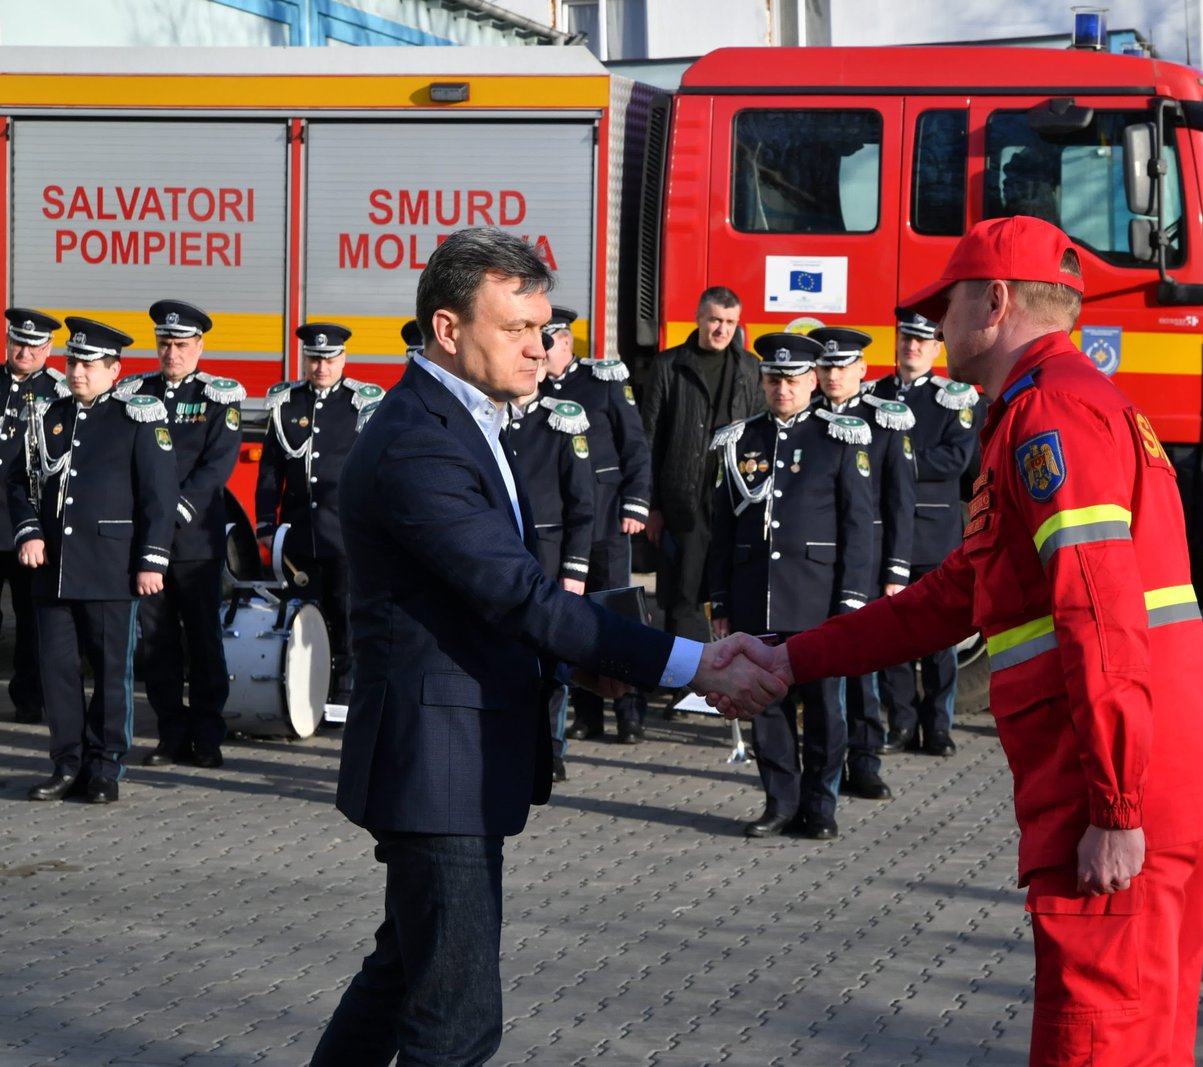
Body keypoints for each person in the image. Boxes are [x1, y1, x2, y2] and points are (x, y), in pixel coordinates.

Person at [750, 216, 1203, 1065]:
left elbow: (1098, 614)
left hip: (1119, 792)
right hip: (1155, 782)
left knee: (1095, 1037)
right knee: (1146, 1039)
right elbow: (952, 596)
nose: (933, 325)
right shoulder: (1056, 405)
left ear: (994, 300)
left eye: (943, 305)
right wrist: (791, 659)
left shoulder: (1048, 414)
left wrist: (1115, 806)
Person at [309, 227, 785, 1066]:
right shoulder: (420, 438)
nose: (541, 347)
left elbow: (489, 601)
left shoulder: (465, 415)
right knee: (454, 1022)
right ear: (448, 331)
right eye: (517, 329)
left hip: (455, 754)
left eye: (542, 328)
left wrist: (588, 654)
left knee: (400, 974)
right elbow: (518, 594)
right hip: (439, 762)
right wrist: (693, 663)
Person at [708, 332, 875, 839]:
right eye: (774, 379)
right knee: (766, 706)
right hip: (755, 596)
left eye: (794, 379)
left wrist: (851, 600)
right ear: (762, 381)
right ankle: (779, 802)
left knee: (825, 709)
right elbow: (722, 526)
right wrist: (719, 598)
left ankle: (820, 808)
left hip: (818, 600)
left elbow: (857, 525)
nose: (783, 388)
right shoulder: (740, 438)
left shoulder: (841, 436)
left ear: (812, 381)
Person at [9, 318, 177, 803]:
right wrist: (29, 532)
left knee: (110, 673)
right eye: (72, 362)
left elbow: (158, 497)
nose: (76, 372)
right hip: (53, 568)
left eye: (87, 364)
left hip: (111, 567)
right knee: (57, 671)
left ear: (114, 370)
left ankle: (105, 766)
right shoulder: (48, 416)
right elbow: (20, 483)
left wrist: (152, 561)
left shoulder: (138, 418)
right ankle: (66, 764)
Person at [119, 300, 242, 770]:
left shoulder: (218, 396)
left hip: (193, 542)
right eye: (165, 343)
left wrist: (172, 512)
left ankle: (208, 736)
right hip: (144, 542)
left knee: (204, 639)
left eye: (182, 344)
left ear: (199, 346)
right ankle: (171, 734)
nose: (172, 352)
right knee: (158, 642)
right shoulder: (135, 394)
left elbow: (217, 466)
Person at [255, 323, 384, 722]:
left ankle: (343, 698)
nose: (321, 366)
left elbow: (375, 470)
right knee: (303, 620)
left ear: (343, 359)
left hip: (345, 537)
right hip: (299, 538)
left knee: (345, 618)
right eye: (314, 358)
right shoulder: (286, 403)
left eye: (329, 359)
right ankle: (304, 694)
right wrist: (265, 522)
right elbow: (272, 469)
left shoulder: (362, 404)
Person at [807, 324, 915, 800]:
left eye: (842, 367)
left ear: (862, 370)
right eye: (826, 367)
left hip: (866, 566)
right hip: (811, 568)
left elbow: (899, 503)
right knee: (822, 670)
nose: (833, 376)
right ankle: (822, 762)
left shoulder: (885, 421)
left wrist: (895, 571)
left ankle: (865, 761)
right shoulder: (803, 419)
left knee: (863, 668)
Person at [869, 309, 983, 755]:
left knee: (939, 637)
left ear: (936, 348)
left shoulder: (954, 399)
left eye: (921, 340)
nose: (911, 346)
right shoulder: (874, 396)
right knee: (893, 633)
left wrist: (899, 463)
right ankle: (900, 724)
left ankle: (937, 727)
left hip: (934, 535)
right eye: (905, 339)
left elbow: (956, 459)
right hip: (885, 532)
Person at [537, 305, 651, 743]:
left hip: (608, 518)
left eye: (549, 343)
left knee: (618, 617)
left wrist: (637, 503)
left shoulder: (601, 381)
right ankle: (587, 715)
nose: (541, 352)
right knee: (575, 619)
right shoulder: (532, 389)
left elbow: (635, 445)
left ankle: (630, 713)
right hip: (566, 528)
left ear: (566, 342)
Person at [640, 287, 761, 645]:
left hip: (735, 501)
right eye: (715, 320)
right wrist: (653, 507)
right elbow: (649, 441)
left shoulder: (750, 367)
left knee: (731, 592)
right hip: (684, 502)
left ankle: (728, 681)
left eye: (729, 322)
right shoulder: (668, 366)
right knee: (684, 596)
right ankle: (685, 684)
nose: (722, 329)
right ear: (698, 318)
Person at [504, 338, 595, 781]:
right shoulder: (489, 418)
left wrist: (574, 573)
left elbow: (582, 506)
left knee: (552, 665)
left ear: (544, 368)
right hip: (501, 561)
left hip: (550, 560)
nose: (530, 366)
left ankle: (552, 748)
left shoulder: (563, 422)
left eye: (536, 360)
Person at [0, 308, 69, 724]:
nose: (23, 351)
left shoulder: (59, 393)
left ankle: (29, 697)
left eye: (33, 345)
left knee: (31, 617)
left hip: (29, 525)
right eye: (16, 342)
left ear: (48, 349)